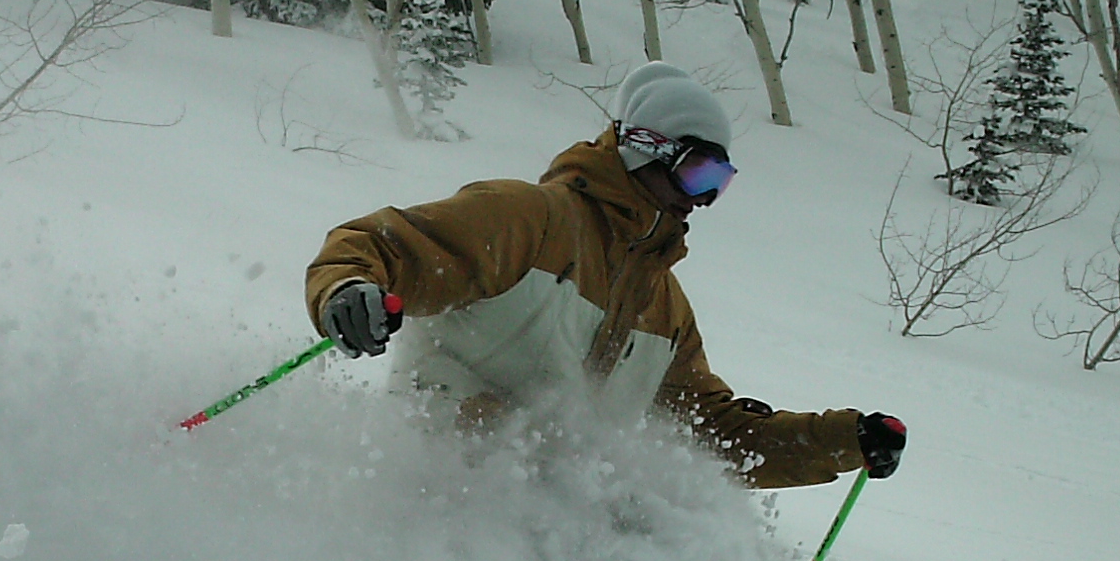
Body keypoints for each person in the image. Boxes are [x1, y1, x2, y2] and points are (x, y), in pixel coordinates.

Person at [305, 62, 905, 490]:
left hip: (547, 520)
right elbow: (381, 244)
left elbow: (708, 434)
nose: (702, 200)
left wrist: (842, 441)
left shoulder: (663, 307)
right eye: (698, 174)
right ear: (647, 148)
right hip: (432, 486)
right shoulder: (529, 219)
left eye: (719, 185)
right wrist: (348, 290)